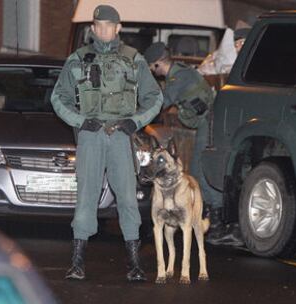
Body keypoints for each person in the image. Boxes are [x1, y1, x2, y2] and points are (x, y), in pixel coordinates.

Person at [51, 5, 163, 282]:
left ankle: (135, 264)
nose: (103, 31)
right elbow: (58, 97)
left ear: (118, 28)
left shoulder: (133, 59)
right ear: (92, 29)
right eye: (98, 26)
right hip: (90, 134)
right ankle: (77, 264)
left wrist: (135, 122)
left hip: (121, 136)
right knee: (86, 197)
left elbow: (154, 97)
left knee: (126, 196)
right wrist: (78, 120)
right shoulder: (77, 59)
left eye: (108, 26)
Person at [143, 42, 241, 245]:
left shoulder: (179, 78)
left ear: (158, 64)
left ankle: (218, 223)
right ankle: (213, 221)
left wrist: (137, 118)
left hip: (209, 122)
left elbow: (160, 103)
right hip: (209, 121)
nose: (154, 72)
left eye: (153, 67)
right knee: (199, 172)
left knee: (200, 172)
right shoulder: (180, 73)